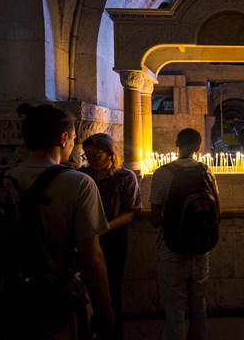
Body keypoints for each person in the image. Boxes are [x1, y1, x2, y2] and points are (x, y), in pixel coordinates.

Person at [5, 103, 115, 339]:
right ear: (64, 138)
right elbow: (91, 257)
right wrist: (105, 306)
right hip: (61, 300)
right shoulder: (79, 184)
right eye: (74, 138)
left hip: (16, 299)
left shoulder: (8, 179)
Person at [148, 128, 219, 340]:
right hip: (200, 249)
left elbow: (154, 220)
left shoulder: (162, 174)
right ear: (198, 147)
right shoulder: (206, 172)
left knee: (175, 313)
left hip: (170, 250)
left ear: (176, 144)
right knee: (199, 307)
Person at [78, 133, 141, 340]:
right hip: (85, 240)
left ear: (109, 153)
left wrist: (102, 229)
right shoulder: (82, 176)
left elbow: (130, 211)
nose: (92, 160)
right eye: (88, 157)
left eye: (96, 156)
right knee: (85, 288)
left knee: (111, 286)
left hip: (112, 240)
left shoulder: (125, 177)